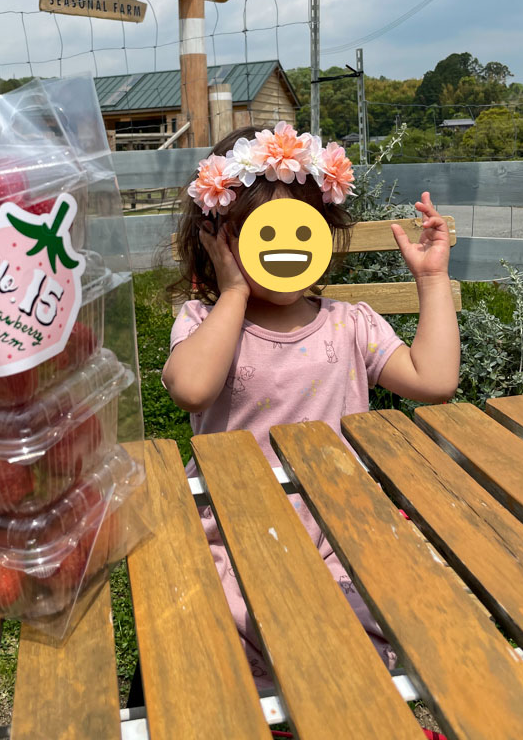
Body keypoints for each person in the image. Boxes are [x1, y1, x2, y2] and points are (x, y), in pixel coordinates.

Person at [162, 122, 460, 685]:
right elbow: (192, 389)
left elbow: (434, 379)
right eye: (258, 233)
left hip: (338, 526)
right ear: (218, 240)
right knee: (234, 631)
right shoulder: (205, 323)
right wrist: (233, 294)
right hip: (236, 529)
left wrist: (433, 280)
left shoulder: (350, 324)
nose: (285, 247)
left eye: (303, 230)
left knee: (378, 625)